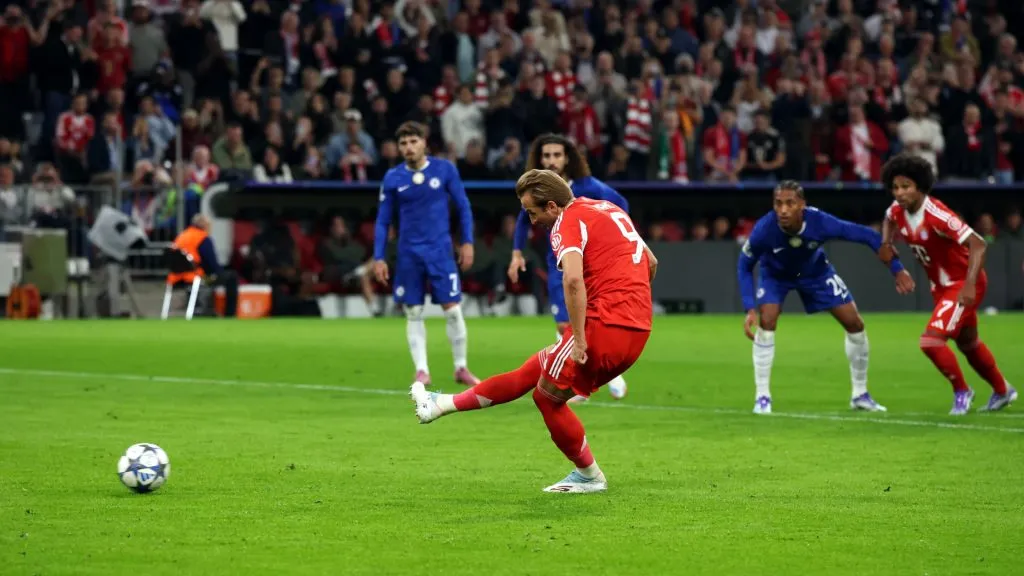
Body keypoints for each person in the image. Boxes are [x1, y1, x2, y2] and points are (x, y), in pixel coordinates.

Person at [411, 169, 657, 493]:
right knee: (536, 368)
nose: (532, 220)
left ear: (552, 207)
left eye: (533, 211)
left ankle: (589, 475)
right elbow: (651, 262)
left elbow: (571, 280)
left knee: (546, 398)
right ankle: (440, 404)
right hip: (638, 328)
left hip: (603, 326)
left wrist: (581, 338)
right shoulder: (609, 209)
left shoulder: (566, 223)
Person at [738, 180, 913, 414]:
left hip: (815, 273)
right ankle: (762, 397)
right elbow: (744, 265)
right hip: (776, 275)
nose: (783, 210)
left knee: (855, 324)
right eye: (778, 204)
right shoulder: (764, 229)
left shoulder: (820, 222)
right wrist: (750, 308)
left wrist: (897, 269)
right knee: (767, 319)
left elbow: (868, 236)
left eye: (790, 203)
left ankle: (860, 394)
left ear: (802, 205)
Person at [880, 154, 1017, 414]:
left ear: (920, 186)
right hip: (941, 287)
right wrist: (886, 244)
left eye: (906, 186)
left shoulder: (937, 215)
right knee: (968, 344)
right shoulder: (897, 209)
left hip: (963, 283)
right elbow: (888, 217)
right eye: (895, 187)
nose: (899, 193)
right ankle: (1002, 391)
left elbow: (978, 243)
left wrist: (968, 285)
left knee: (930, 342)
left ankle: (962, 391)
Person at [507, 134, 631, 402]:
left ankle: (604, 374)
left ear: (568, 158)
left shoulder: (588, 186)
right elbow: (521, 220)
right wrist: (517, 253)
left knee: (592, 320)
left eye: (556, 155)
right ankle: (578, 377)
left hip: (590, 265)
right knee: (565, 323)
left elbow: (621, 205)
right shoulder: (538, 188)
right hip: (557, 263)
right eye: (546, 155)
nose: (551, 161)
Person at [373, 121, 479, 386]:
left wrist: (467, 242)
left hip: (441, 252)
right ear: (399, 148)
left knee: (453, 310)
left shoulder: (444, 170)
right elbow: (383, 221)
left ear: (424, 142)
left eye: (413, 141)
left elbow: (464, 207)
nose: (408, 147)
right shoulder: (393, 178)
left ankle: (461, 367)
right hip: (408, 254)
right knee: (413, 311)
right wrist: (379, 256)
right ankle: (422, 370)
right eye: (403, 143)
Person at [169, 214, 238, 317]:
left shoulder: (182, 236)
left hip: (176, 277)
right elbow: (212, 264)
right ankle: (229, 314)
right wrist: (220, 272)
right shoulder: (202, 238)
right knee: (231, 277)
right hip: (195, 277)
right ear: (204, 225)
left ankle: (208, 309)